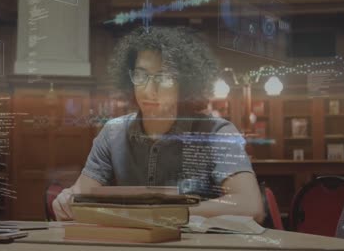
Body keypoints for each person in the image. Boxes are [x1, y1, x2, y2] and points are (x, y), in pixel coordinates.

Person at [53, 26, 264, 223]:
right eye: (140, 75)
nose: (148, 89)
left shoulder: (217, 133)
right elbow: (80, 195)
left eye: (163, 77)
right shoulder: (112, 133)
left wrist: (162, 214)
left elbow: (251, 206)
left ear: (185, 83)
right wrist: (66, 201)